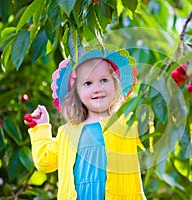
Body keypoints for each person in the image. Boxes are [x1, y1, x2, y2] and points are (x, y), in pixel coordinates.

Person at [24, 48, 147, 200]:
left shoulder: (126, 123)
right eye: (88, 83)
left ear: (115, 85)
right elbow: (44, 161)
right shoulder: (67, 132)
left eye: (104, 80)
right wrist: (40, 127)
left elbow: (151, 135)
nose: (97, 89)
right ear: (76, 93)